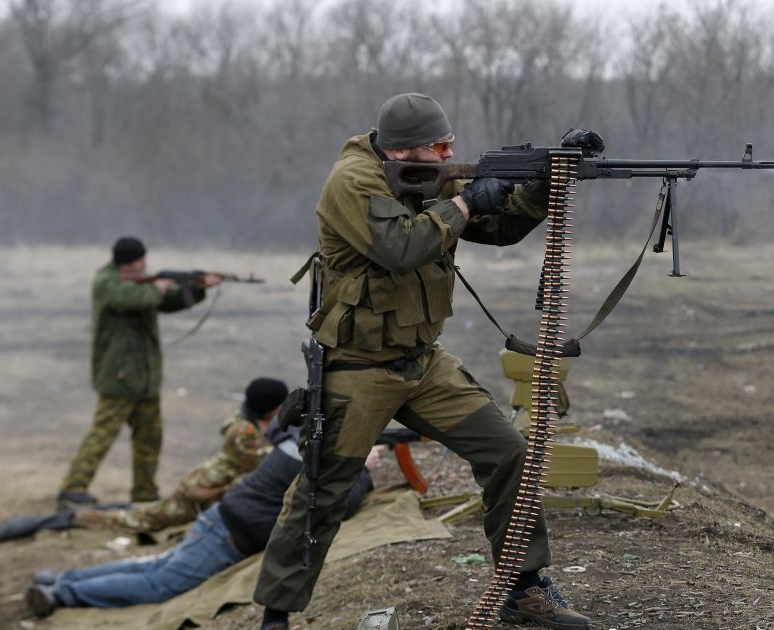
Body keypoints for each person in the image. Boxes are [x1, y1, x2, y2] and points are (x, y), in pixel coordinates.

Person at [253, 93, 592, 629]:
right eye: (441, 146)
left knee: (510, 453)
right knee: (322, 491)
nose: (449, 153)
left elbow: (498, 229)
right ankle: (275, 616)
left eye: (450, 144)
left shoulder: (427, 175)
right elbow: (401, 247)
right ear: (406, 150)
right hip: (358, 368)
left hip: (421, 363)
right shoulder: (353, 181)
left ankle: (522, 590)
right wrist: (465, 203)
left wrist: (544, 184)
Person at [26, 422, 385, 617]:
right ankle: (61, 594)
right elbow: (339, 504)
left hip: (221, 522)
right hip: (225, 536)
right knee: (160, 584)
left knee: (156, 567)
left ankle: (61, 580)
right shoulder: (313, 462)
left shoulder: (301, 442)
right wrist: (362, 470)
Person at [0, 378, 288, 542]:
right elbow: (269, 468)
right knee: (138, 520)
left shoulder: (248, 424)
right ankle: (66, 519)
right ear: (269, 410)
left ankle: (90, 511)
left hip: (202, 489)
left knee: (144, 512)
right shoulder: (245, 434)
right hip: (199, 494)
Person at [57, 237, 222, 508]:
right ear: (129, 262)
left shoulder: (144, 284)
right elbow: (132, 299)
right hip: (119, 376)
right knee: (102, 435)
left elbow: (168, 302)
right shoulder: (106, 282)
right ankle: (73, 488)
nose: (144, 265)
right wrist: (159, 288)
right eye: (139, 261)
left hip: (145, 378)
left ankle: (145, 492)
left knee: (150, 437)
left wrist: (197, 288)